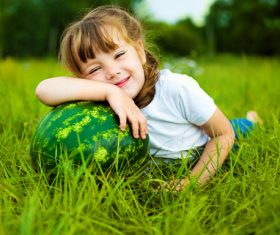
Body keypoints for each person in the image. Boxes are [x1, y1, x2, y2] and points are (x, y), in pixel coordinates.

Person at [35, 5, 257, 191]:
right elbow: (43, 89)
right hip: (160, 164)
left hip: (202, 149)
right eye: (94, 69)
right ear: (82, 79)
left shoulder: (176, 88)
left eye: (119, 55)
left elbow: (222, 134)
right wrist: (110, 92)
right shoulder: (103, 98)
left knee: (238, 128)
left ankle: (252, 119)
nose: (112, 71)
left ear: (140, 51)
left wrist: (192, 181)